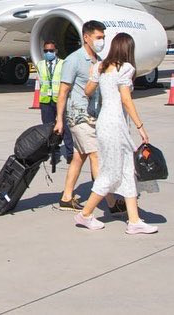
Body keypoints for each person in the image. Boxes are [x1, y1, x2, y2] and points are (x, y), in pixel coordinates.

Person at [74, 33, 158, 235]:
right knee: (111, 173)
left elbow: (87, 90)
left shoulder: (100, 67)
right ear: (128, 49)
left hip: (104, 122)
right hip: (116, 125)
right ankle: (85, 214)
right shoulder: (126, 68)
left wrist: (96, 79)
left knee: (128, 171)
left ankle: (134, 220)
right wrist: (140, 126)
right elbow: (126, 100)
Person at [52, 21, 123, 214]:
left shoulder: (98, 60)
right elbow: (63, 91)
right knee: (96, 156)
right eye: (98, 37)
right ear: (86, 37)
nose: (102, 41)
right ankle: (110, 202)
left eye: (103, 38)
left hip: (93, 115)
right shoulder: (73, 60)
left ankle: (66, 197)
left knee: (79, 157)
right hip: (79, 115)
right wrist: (59, 119)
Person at [36, 40, 73, 163]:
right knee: (48, 128)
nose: (48, 53)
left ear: (56, 51)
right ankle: (53, 152)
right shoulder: (40, 64)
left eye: (51, 51)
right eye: (46, 51)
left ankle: (70, 153)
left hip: (60, 99)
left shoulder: (63, 64)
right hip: (46, 100)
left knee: (65, 127)